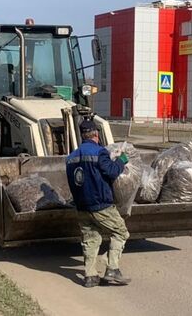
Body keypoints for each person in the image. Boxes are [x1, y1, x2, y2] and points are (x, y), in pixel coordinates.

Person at [66, 120, 131, 287]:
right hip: (101, 205)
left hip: (81, 206)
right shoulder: (99, 152)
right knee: (121, 232)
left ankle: (90, 276)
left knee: (91, 238)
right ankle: (112, 270)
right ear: (96, 134)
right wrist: (121, 160)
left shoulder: (71, 158)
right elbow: (111, 171)